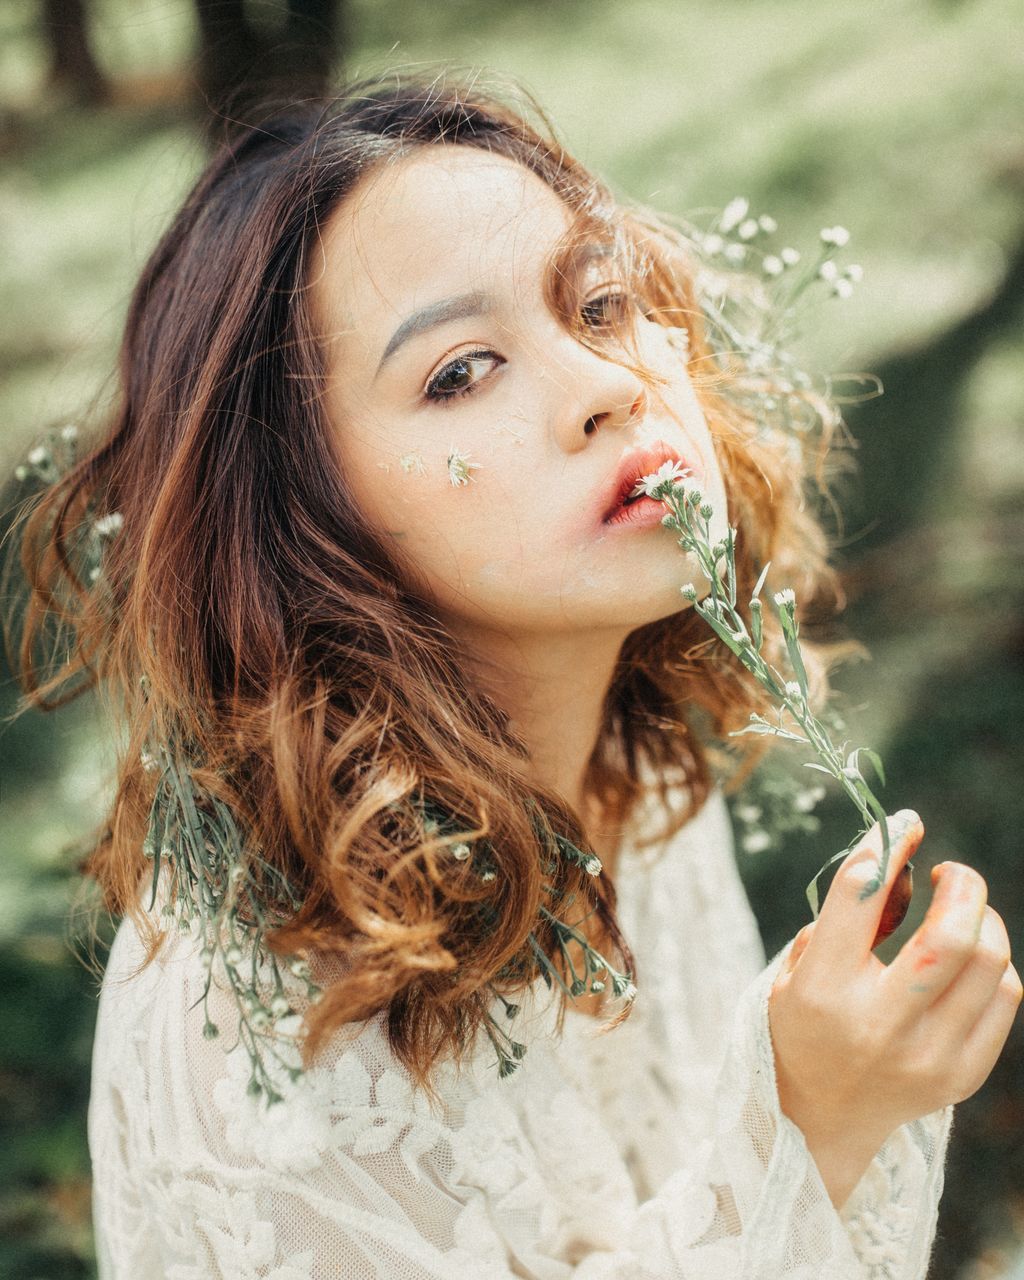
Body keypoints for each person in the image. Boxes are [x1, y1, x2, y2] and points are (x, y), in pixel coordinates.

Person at [8, 73, 1020, 1279]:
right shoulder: (252, 1023)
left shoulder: (635, 778)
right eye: (458, 371)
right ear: (305, 523)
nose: (609, 386)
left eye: (599, 305)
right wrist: (810, 1126)